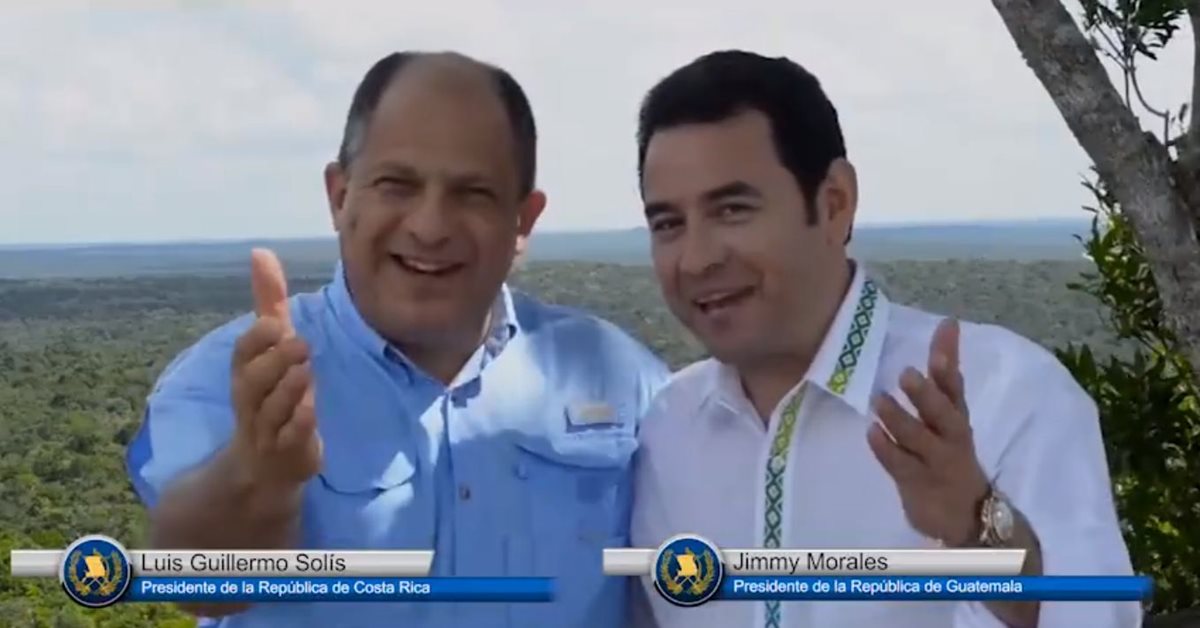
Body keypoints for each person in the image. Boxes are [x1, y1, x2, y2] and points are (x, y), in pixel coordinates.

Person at [125, 51, 668, 628]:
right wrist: (258, 475)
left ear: (523, 222)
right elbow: (195, 582)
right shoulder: (241, 374)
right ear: (339, 196)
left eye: (473, 193)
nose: (430, 227)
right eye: (396, 185)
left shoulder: (617, 374)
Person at [627, 50, 1140, 628]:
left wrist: (977, 531)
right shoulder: (665, 429)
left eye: (732, 210)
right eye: (668, 224)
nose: (696, 259)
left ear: (834, 203)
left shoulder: (1008, 395)